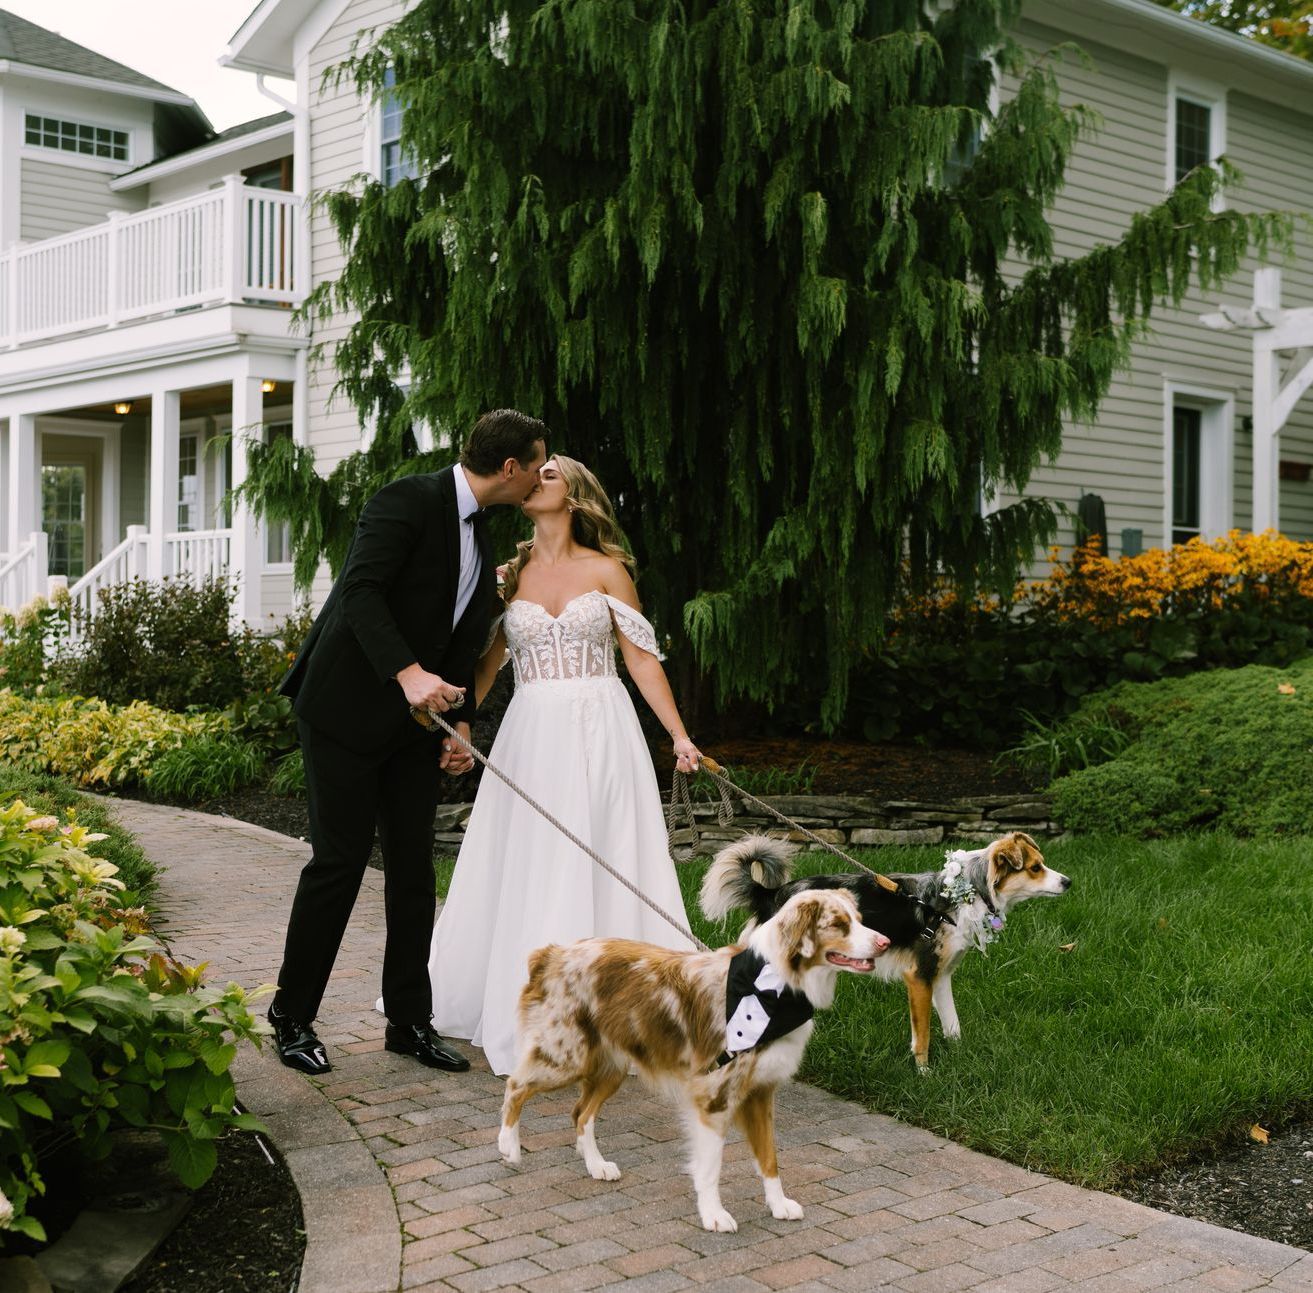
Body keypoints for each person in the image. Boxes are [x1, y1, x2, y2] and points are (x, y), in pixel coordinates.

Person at [267, 410, 548, 1076]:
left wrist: (462, 724)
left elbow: (459, 637)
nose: (543, 472)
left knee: (415, 872)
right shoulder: (406, 500)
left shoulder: (481, 534)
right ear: (509, 468)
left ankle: (409, 1021)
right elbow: (359, 592)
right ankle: (291, 1016)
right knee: (336, 864)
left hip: (416, 727)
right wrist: (407, 673)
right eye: (538, 461)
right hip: (343, 709)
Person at [420, 454, 703, 1076]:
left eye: (547, 476)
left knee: (604, 849)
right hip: (530, 730)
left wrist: (679, 737)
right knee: (528, 856)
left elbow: (641, 660)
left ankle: (618, 1008)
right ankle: (531, 1006)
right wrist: (462, 726)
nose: (531, 481)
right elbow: (488, 662)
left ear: (574, 498)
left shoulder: (607, 569)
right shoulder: (511, 574)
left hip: (602, 726)